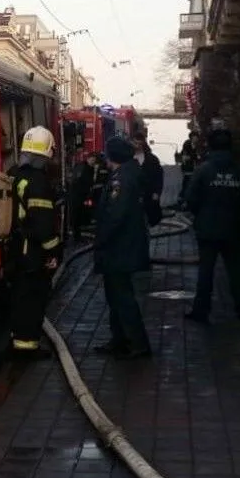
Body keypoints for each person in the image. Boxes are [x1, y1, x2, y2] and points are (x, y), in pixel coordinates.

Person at [4, 126, 63, 360]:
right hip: (32, 251)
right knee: (32, 298)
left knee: (19, 296)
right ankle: (27, 347)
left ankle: (17, 338)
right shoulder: (38, 181)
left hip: (15, 248)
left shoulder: (14, 172)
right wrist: (54, 251)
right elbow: (42, 224)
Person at [184, 128, 240, 324]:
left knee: (206, 271)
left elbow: (191, 199)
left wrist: (200, 215)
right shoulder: (239, 171)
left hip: (207, 229)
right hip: (232, 228)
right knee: (236, 272)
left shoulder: (203, 170)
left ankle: (201, 310)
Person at [93, 136, 152, 359]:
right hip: (123, 246)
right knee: (115, 295)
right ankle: (119, 338)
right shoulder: (129, 173)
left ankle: (137, 343)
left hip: (119, 248)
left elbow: (115, 215)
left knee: (122, 296)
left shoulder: (121, 179)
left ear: (113, 156)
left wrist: (100, 240)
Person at [131, 132, 164, 226]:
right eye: (135, 143)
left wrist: (157, 192)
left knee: (146, 222)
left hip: (148, 195)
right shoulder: (127, 158)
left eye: (140, 144)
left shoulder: (152, 159)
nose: (137, 146)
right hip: (131, 195)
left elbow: (159, 176)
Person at [70, 152, 97, 241]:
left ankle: (77, 235)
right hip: (77, 195)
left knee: (78, 216)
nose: (93, 162)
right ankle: (76, 236)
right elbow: (77, 181)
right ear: (88, 159)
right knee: (76, 216)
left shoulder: (89, 168)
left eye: (94, 160)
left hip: (81, 195)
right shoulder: (83, 168)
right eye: (92, 159)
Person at [179, 131, 203, 204]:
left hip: (194, 167)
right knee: (187, 183)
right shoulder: (187, 144)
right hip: (188, 167)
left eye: (197, 137)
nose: (196, 139)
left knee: (191, 183)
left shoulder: (197, 145)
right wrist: (195, 157)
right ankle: (182, 199)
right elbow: (186, 157)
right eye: (194, 137)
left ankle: (187, 200)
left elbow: (198, 156)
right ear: (191, 138)